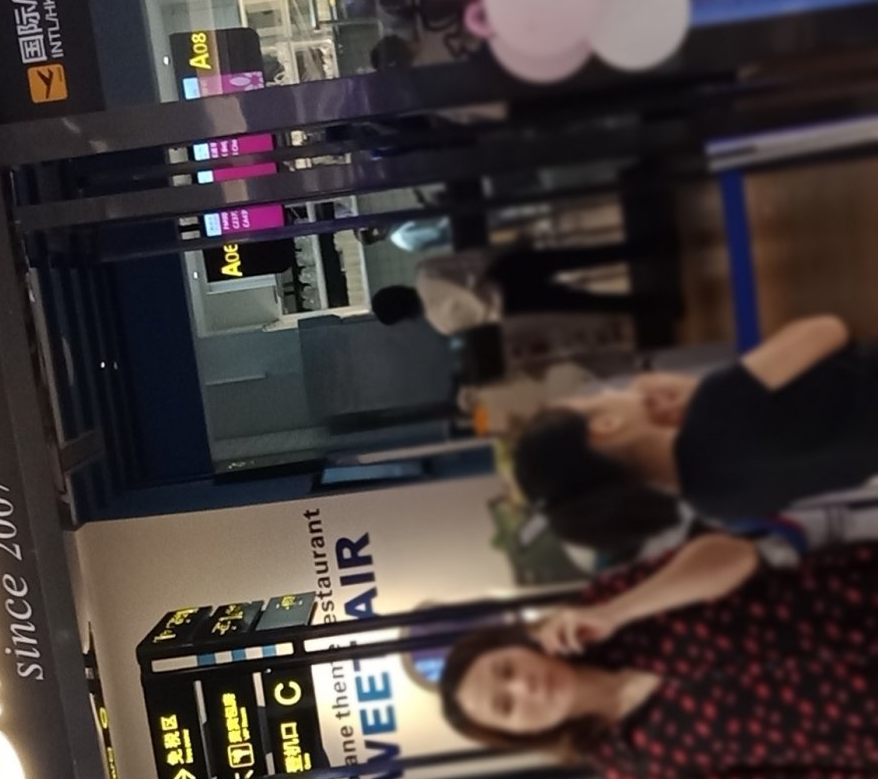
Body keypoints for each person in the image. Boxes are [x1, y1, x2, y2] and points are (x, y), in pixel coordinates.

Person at [438, 533, 878, 779]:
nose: (523, 686)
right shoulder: (635, 774)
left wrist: (616, 612)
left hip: (856, 602)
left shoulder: (605, 604)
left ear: (521, 644)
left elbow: (737, 556)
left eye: (507, 669)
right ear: (522, 734)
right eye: (507, 705)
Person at [512, 315, 878, 559]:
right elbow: (826, 329)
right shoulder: (714, 405)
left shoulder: (715, 506)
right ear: (606, 425)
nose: (608, 392)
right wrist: (697, 387)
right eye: (593, 399)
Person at [372, 239, 640, 337]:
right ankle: (644, 248)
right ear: (398, 289)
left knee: (583, 304)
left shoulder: (442, 325)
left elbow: (487, 322)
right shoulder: (426, 273)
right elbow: (476, 259)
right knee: (581, 258)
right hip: (506, 272)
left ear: (403, 317)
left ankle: (649, 304)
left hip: (512, 305)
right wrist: (513, 247)